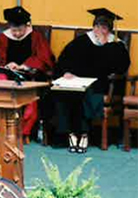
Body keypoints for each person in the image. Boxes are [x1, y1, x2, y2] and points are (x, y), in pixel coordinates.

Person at [53, 8, 131, 153]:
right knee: (63, 91)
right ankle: (68, 133)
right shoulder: (82, 41)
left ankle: (83, 133)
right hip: (77, 80)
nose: (99, 30)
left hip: (101, 83)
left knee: (86, 93)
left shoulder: (116, 45)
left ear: (110, 29)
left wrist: (107, 47)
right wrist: (67, 72)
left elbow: (120, 67)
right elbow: (64, 59)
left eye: (104, 27)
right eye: (97, 26)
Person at [0, 6, 54, 140]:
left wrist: (24, 66)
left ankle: (21, 131)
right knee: (0, 79)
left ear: (27, 26)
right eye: (14, 30)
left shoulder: (36, 37)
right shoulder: (2, 38)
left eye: (20, 30)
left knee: (28, 92)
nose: (16, 34)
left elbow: (44, 58)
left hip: (27, 76)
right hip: (5, 75)